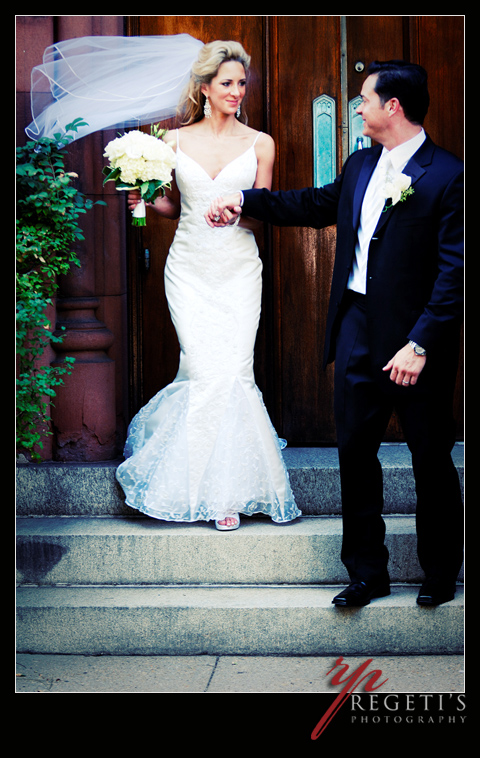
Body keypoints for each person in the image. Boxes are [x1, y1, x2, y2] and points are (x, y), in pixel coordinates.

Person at [206, 60, 464, 601]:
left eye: (365, 99)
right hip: (355, 329)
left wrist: (420, 344)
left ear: (392, 106)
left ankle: (440, 574)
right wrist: (245, 200)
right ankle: (367, 572)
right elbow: (314, 204)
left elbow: (455, 272)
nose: (359, 108)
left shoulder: (448, 175)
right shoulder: (361, 164)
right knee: (354, 452)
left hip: (416, 342)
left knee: (430, 457)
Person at [116, 41, 301, 531]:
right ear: (204, 89)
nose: (237, 91)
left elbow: (261, 212)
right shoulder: (171, 142)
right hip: (190, 267)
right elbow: (170, 208)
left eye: (241, 83)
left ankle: (231, 492)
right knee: (202, 369)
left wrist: (242, 208)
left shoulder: (261, 143)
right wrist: (141, 198)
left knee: (235, 370)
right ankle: (200, 485)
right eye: (227, 84)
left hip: (239, 267)